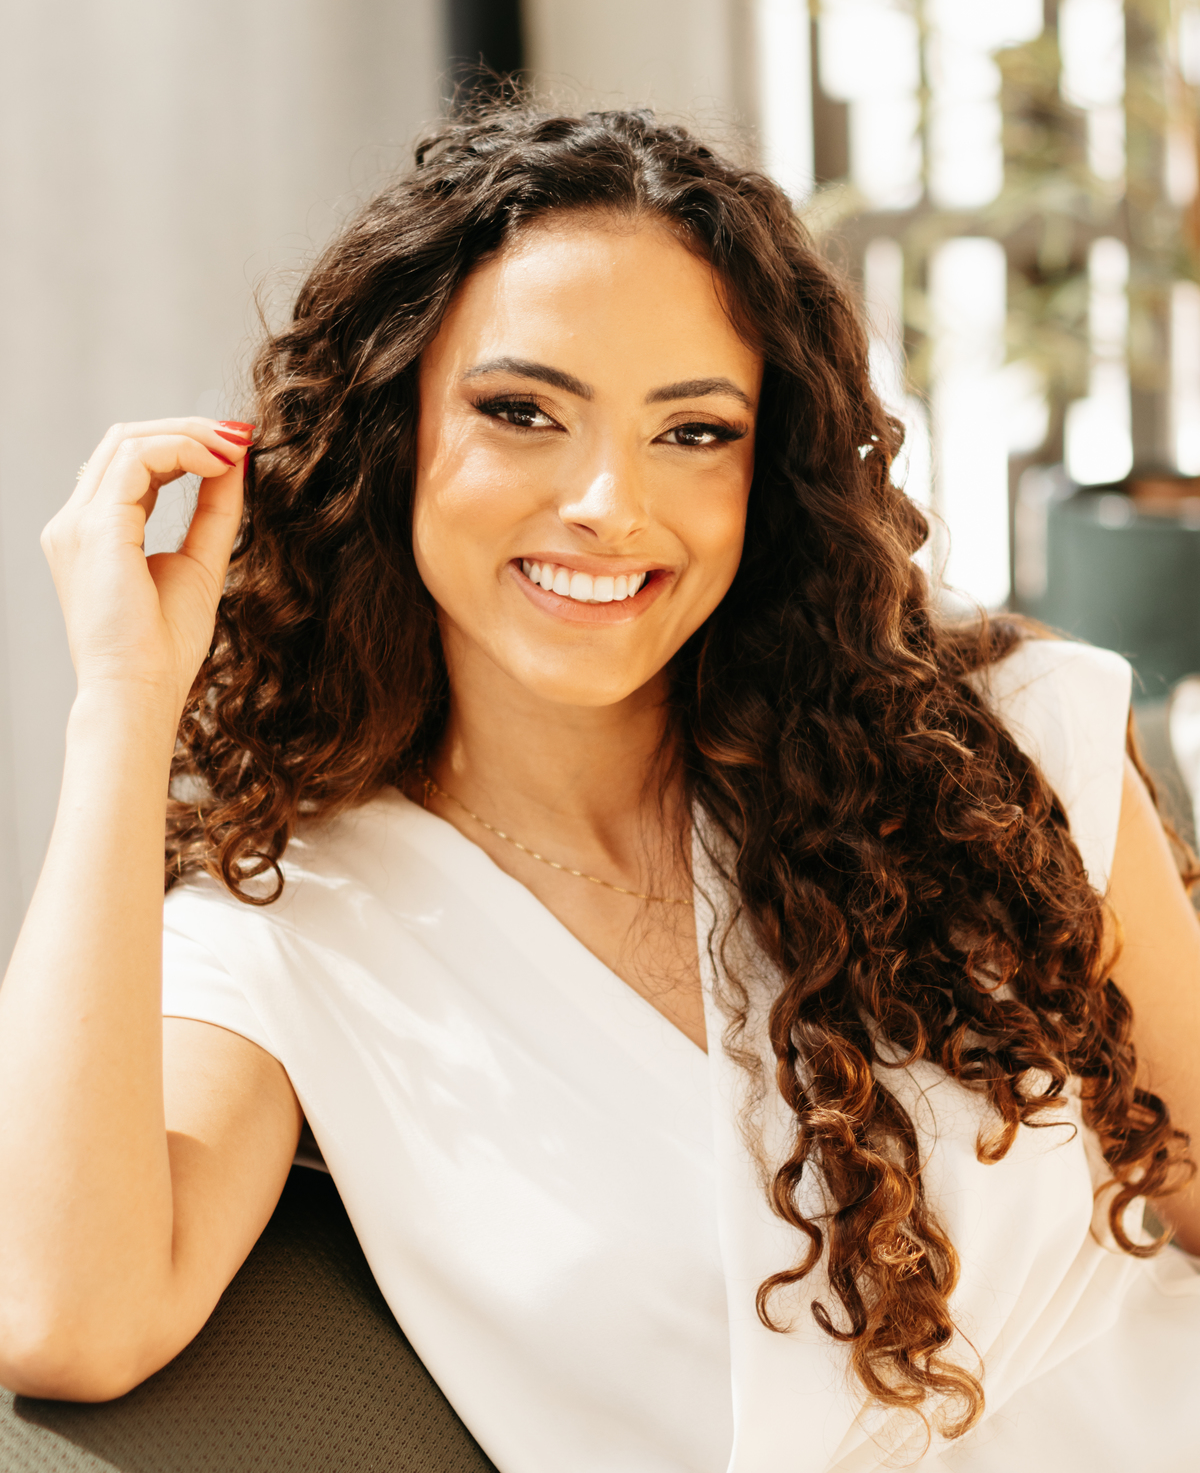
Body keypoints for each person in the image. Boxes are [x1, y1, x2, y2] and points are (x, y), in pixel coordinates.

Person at [1, 106, 1198, 1473]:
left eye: (694, 431)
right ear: (394, 432)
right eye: (522, 413)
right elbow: (60, 1317)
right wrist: (123, 702)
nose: (611, 504)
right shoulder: (293, 923)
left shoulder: (986, 744)